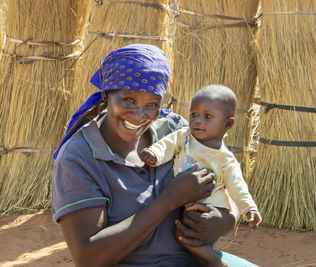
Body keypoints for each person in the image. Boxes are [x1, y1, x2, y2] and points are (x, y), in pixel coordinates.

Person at [51, 44, 258, 266]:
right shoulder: (79, 157)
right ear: (108, 94)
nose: (139, 115)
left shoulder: (175, 131)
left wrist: (226, 219)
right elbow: (89, 258)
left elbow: (226, 175)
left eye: (151, 104)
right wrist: (169, 200)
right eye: (128, 100)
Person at [140, 84, 262, 266]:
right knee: (186, 240)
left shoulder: (226, 160)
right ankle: (206, 261)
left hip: (210, 210)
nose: (198, 120)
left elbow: (238, 187)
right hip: (185, 205)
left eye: (208, 117)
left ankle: (214, 262)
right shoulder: (185, 136)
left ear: (228, 124)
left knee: (185, 235)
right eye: (194, 114)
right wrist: (155, 154)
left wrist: (249, 209)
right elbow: (167, 145)